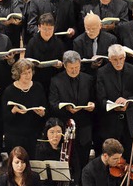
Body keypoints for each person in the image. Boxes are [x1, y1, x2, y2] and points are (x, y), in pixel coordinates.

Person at [49, 51, 96, 181]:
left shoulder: (88, 79)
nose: (75, 70)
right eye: (71, 68)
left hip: (84, 126)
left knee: (83, 161)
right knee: (67, 162)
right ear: (65, 66)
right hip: (65, 126)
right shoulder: (56, 80)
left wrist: (92, 105)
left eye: (77, 67)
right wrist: (66, 108)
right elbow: (53, 104)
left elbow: (94, 99)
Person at [96, 44, 133, 155]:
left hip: (130, 122)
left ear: (125, 57)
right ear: (109, 59)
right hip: (111, 123)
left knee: (131, 156)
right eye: (115, 60)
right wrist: (114, 106)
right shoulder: (102, 73)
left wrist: (128, 100)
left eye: (121, 59)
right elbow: (100, 99)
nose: (118, 62)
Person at [2, 59, 47, 156]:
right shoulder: (9, 91)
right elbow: (5, 117)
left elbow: (45, 109)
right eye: (24, 73)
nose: (28, 75)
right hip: (15, 134)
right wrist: (14, 111)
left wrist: (42, 113)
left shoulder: (38, 87)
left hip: (33, 133)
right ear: (18, 74)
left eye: (29, 72)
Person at [25, 13, 66, 92]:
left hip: (54, 79)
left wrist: (60, 65)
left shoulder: (59, 43)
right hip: (37, 79)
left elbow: (63, 63)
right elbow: (27, 62)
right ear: (39, 27)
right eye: (44, 29)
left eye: (50, 29)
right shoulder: (32, 42)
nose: (47, 32)